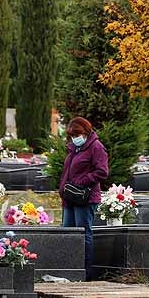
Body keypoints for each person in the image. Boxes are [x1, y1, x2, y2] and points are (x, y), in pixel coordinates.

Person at [58, 117, 110, 280]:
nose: (75, 138)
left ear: (86, 132)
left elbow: (102, 171)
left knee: (83, 234)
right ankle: (69, 269)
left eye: (77, 134)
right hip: (70, 197)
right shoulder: (74, 149)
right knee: (68, 233)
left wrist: (82, 181)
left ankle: (86, 271)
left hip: (85, 198)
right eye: (72, 136)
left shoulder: (96, 147)